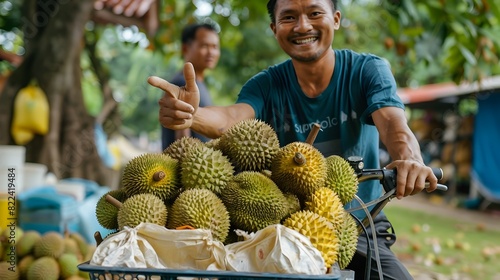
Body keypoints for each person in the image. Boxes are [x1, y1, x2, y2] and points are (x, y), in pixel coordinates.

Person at [149, 0, 438, 279]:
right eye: (288, 17)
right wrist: (193, 114)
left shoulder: (366, 71)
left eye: (314, 13)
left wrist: (410, 160)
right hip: (286, 229)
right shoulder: (266, 85)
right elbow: (231, 120)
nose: (302, 26)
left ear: (335, 19)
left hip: (358, 223)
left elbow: (392, 123)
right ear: (274, 28)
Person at [161, 22, 221, 150]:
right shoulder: (181, 84)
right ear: (185, 48)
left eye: (215, 47)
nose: (211, 52)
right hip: (188, 166)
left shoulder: (201, 85)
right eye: (204, 46)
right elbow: (182, 140)